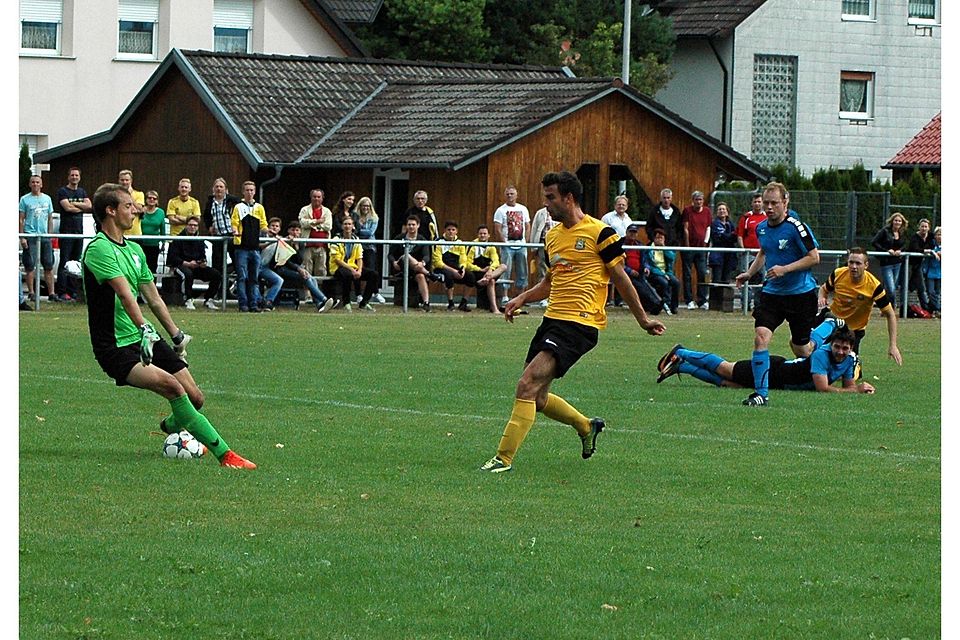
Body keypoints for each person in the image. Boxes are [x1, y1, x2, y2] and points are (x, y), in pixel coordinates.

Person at [479, 171, 665, 474]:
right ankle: (586, 425)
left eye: (551, 197)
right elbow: (550, 281)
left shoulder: (601, 233)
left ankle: (503, 459)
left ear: (569, 198)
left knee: (525, 385)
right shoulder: (552, 236)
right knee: (537, 397)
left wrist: (642, 319)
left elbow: (621, 278)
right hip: (552, 320)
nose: (546, 204)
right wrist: (522, 298)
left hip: (580, 324)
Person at [80, 182, 256, 469]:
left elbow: (155, 299)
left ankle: (170, 425)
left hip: (145, 337)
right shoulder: (99, 250)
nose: (134, 210)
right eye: (128, 206)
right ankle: (226, 456)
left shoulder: (134, 250)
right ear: (110, 211)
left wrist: (176, 335)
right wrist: (143, 328)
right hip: (115, 347)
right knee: (174, 388)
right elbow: (125, 295)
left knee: (195, 397)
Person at [734, 182, 820, 407]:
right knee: (761, 337)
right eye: (766, 203)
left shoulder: (796, 227)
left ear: (785, 202)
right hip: (772, 293)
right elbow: (765, 251)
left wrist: (785, 268)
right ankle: (761, 393)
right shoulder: (761, 228)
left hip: (801, 294)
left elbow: (814, 257)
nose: (769, 207)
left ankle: (826, 335)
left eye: (774, 203)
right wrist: (749, 273)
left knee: (801, 348)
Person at [656, 325, 875, 395]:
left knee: (730, 384)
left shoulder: (850, 359)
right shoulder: (820, 355)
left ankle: (682, 367)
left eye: (845, 348)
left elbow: (849, 386)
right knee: (725, 369)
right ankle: (683, 351)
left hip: (777, 382)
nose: (840, 352)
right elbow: (822, 388)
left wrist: (860, 388)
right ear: (831, 345)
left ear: (851, 348)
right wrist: (854, 391)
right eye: (837, 347)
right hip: (773, 370)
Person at [812, 247, 902, 365]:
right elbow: (823, 289)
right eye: (851, 262)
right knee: (807, 348)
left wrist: (893, 345)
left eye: (858, 263)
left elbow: (890, 314)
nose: (854, 266)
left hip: (853, 330)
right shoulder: (838, 274)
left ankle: (855, 365)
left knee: (847, 367)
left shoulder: (874, 286)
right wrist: (821, 298)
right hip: (831, 321)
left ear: (866, 265)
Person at [263, 220, 335, 313]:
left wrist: (296, 247)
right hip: (282, 269)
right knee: (305, 277)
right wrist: (299, 269)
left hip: (293, 269)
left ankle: (320, 305)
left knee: (311, 278)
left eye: (297, 230)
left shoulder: (300, 243)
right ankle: (324, 300)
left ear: (300, 231)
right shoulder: (284, 241)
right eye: (292, 230)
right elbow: (285, 261)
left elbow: (300, 260)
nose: (295, 233)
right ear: (288, 231)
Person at [166, 216, 221, 310]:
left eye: (195, 225)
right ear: (186, 226)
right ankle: (188, 299)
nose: (193, 227)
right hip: (181, 266)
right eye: (190, 225)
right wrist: (187, 263)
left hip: (196, 266)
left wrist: (202, 262)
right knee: (188, 274)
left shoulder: (199, 240)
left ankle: (209, 299)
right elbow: (173, 258)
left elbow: (202, 256)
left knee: (216, 274)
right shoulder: (178, 239)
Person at [55, 166, 92, 302]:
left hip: (79, 232)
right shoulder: (62, 191)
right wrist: (80, 206)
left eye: (76, 175)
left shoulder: (82, 191)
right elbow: (67, 207)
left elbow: (89, 206)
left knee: (76, 262)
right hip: (66, 231)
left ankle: (73, 291)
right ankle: (62, 292)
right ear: (68, 177)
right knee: (65, 261)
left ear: (79, 177)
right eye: (72, 175)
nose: (74, 177)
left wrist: (75, 205)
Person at [230, 181, 268, 313]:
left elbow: (263, 224)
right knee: (242, 277)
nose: (249, 192)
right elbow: (234, 222)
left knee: (254, 278)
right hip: (242, 247)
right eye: (247, 190)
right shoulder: (238, 207)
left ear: (255, 192)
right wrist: (235, 230)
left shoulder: (259, 208)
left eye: (252, 190)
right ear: (243, 192)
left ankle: (253, 304)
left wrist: (271, 232)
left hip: (255, 248)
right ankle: (243, 304)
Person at [329, 216, 380, 311]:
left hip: (353, 267)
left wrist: (359, 270)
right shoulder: (336, 238)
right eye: (345, 224)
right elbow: (337, 260)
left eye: (349, 224)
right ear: (342, 226)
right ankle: (347, 302)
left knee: (374, 275)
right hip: (337, 268)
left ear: (353, 226)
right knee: (347, 275)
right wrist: (352, 270)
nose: (347, 226)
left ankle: (364, 303)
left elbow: (359, 258)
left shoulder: (356, 238)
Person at [19, 175, 56, 303]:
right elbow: (21, 219)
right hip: (31, 235)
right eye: (33, 182)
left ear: (41, 184)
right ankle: (31, 292)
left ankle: (51, 293)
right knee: (30, 265)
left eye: (37, 182)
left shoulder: (47, 199)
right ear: (30, 184)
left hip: (44, 236)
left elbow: (50, 218)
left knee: (48, 265)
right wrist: (22, 237)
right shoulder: (24, 199)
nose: (35, 184)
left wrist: (50, 234)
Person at [492, 186, 531, 304]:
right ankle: (505, 296)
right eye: (508, 194)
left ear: (516, 195)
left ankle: (521, 296)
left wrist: (526, 241)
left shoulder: (523, 209)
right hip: (507, 245)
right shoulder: (500, 210)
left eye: (512, 194)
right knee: (505, 270)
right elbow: (497, 228)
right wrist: (504, 243)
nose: (510, 196)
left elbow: (527, 225)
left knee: (522, 271)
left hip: (521, 245)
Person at [389, 215, 434, 311]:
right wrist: (393, 262)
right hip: (401, 265)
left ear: (418, 225)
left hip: (416, 267)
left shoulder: (422, 240)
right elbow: (390, 254)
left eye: (413, 224)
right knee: (406, 255)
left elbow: (426, 256)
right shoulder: (399, 238)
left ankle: (426, 303)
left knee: (421, 276)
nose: (411, 227)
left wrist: (422, 263)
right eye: (409, 224)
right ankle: (430, 274)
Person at [431, 221, 476, 311]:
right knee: (448, 276)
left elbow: (463, 259)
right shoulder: (439, 242)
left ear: (456, 231)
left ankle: (463, 303)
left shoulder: (460, 243)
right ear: (445, 231)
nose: (451, 232)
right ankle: (451, 303)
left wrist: (462, 269)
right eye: (449, 230)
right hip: (441, 268)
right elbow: (437, 262)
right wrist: (453, 271)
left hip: (456, 267)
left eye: (453, 230)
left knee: (471, 276)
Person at [202, 177, 241, 278]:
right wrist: (209, 227)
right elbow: (206, 216)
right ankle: (219, 289)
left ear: (225, 189)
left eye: (221, 187)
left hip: (231, 235)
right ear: (213, 189)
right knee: (217, 265)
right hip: (218, 236)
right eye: (217, 187)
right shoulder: (210, 202)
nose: (219, 189)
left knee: (237, 262)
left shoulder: (232, 200)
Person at [622, 222, 663, 315]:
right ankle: (655, 304)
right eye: (630, 232)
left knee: (644, 284)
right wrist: (630, 270)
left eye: (634, 232)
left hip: (639, 272)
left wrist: (646, 268)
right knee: (639, 286)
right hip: (625, 273)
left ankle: (656, 303)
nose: (632, 234)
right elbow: (618, 263)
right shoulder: (621, 244)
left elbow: (645, 260)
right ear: (626, 232)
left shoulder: (640, 245)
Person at [681, 190, 712, 309]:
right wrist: (687, 245)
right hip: (689, 248)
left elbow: (708, 227)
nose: (698, 202)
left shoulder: (707, 211)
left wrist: (705, 243)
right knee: (687, 274)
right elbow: (686, 228)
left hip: (701, 248)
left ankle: (702, 299)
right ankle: (689, 300)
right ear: (693, 201)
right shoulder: (687, 211)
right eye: (696, 200)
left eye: (700, 200)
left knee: (702, 273)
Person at [735, 193, 766, 309]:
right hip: (748, 254)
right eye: (755, 202)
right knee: (745, 278)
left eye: (759, 201)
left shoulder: (767, 217)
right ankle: (745, 304)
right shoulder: (746, 217)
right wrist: (744, 249)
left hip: (762, 254)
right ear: (752, 203)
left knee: (763, 279)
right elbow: (740, 235)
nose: (757, 204)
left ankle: (759, 305)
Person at [871, 212, 908, 309]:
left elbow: (905, 245)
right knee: (891, 288)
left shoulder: (902, 233)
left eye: (899, 221)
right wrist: (887, 251)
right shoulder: (885, 231)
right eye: (896, 220)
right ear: (892, 221)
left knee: (891, 288)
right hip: (887, 263)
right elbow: (874, 242)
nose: (897, 222)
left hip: (897, 263)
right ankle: (891, 307)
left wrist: (900, 250)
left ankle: (885, 307)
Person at [468, 224, 506, 314]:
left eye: (485, 233)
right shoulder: (473, 246)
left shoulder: (491, 246)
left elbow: (496, 261)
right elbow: (467, 264)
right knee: (491, 281)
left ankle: (487, 278)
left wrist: (490, 270)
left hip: (488, 274)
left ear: (488, 235)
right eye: (481, 234)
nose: (483, 235)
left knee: (503, 266)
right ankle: (494, 309)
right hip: (477, 273)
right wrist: (480, 270)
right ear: (477, 235)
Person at [356, 196, 385, 304]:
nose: (366, 208)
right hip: (357, 246)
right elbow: (355, 231)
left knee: (371, 270)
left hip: (370, 246)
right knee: (357, 269)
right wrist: (360, 231)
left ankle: (375, 292)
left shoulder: (374, 218)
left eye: (368, 206)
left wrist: (359, 231)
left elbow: (370, 233)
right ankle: (358, 294)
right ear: (360, 206)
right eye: (364, 205)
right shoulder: (355, 217)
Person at [643, 227, 679, 315]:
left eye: (661, 238)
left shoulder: (666, 248)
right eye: (658, 238)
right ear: (654, 238)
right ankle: (664, 303)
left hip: (666, 273)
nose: (659, 240)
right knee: (664, 282)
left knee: (676, 283)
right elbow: (650, 265)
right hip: (654, 273)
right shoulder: (648, 249)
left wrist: (663, 247)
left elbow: (672, 258)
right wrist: (662, 274)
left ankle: (674, 306)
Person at [298, 189, 332, 278]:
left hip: (322, 245)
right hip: (307, 245)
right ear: (311, 197)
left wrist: (312, 224)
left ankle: (318, 290)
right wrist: (317, 221)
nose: (316, 199)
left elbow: (328, 226)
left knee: (321, 270)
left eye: (318, 197)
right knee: (306, 269)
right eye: (314, 197)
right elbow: (302, 223)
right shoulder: (304, 210)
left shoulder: (327, 211)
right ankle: (307, 290)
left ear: (322, 198)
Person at [256, 217, 286, 312]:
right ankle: (259, 301)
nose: (274, 228)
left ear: (279, 228)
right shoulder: (262, 235)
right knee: (253, 282)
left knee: (279, 280)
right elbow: (258, 246)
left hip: (265, 267)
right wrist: (270, 242)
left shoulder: (279, 239)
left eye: (277, 226)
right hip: (255, 265)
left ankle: (268, 301)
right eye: (272, 226)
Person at [907, 218, 934, 312]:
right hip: (914, 265)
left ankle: (930, 308)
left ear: (929, 228)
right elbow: (914, 248)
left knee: (923, 287)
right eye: (922, 226)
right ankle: (925, 308)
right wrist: (924, 251)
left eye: (926, 226)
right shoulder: (914, 237)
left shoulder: (931, 236)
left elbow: (934, 246)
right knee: (920, 287)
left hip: (926, 265)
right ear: (919, 227)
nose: (924, 228)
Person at [709, 202, 738, 284]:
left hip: (729, 256)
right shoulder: (715, 224)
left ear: (727, 211)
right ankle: (716, 297)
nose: (722, 211)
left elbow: (735, 237)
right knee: (717, 280)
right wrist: (729, 236)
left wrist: (729, 236)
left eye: (723, 209)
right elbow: (721, 237)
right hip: (717, 256)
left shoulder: (731, 224)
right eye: (719, 209)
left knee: (726, 280)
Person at [139, 191, 167, 275]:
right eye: (149, 198)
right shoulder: (141, 211)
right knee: (140, 267)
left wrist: (163, 242)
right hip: (141, 243)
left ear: (157, 201)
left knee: (152, 268)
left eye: (154, 198)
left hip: (154, 244)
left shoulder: (161, 212)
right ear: (146, 200)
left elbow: (162, 228)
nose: (152, 200)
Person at [118, 170, 145, 241]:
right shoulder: (115, 195)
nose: (124, 182)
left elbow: (140, 210)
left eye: (127, 180)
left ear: (131, 181)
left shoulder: (139, 194)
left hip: (135, 234)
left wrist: (129, 195)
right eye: (122, 180)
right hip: (120, 234)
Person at [923, 226, 941, 316]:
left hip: (940, 273)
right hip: (930, 272)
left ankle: (934, 310)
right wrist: (934, 252)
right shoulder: (931, 244)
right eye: (938, 234)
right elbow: (926, 250)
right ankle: (937, 308)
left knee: (937, 292)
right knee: (930, 292)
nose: (939, 236)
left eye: (941, 235)